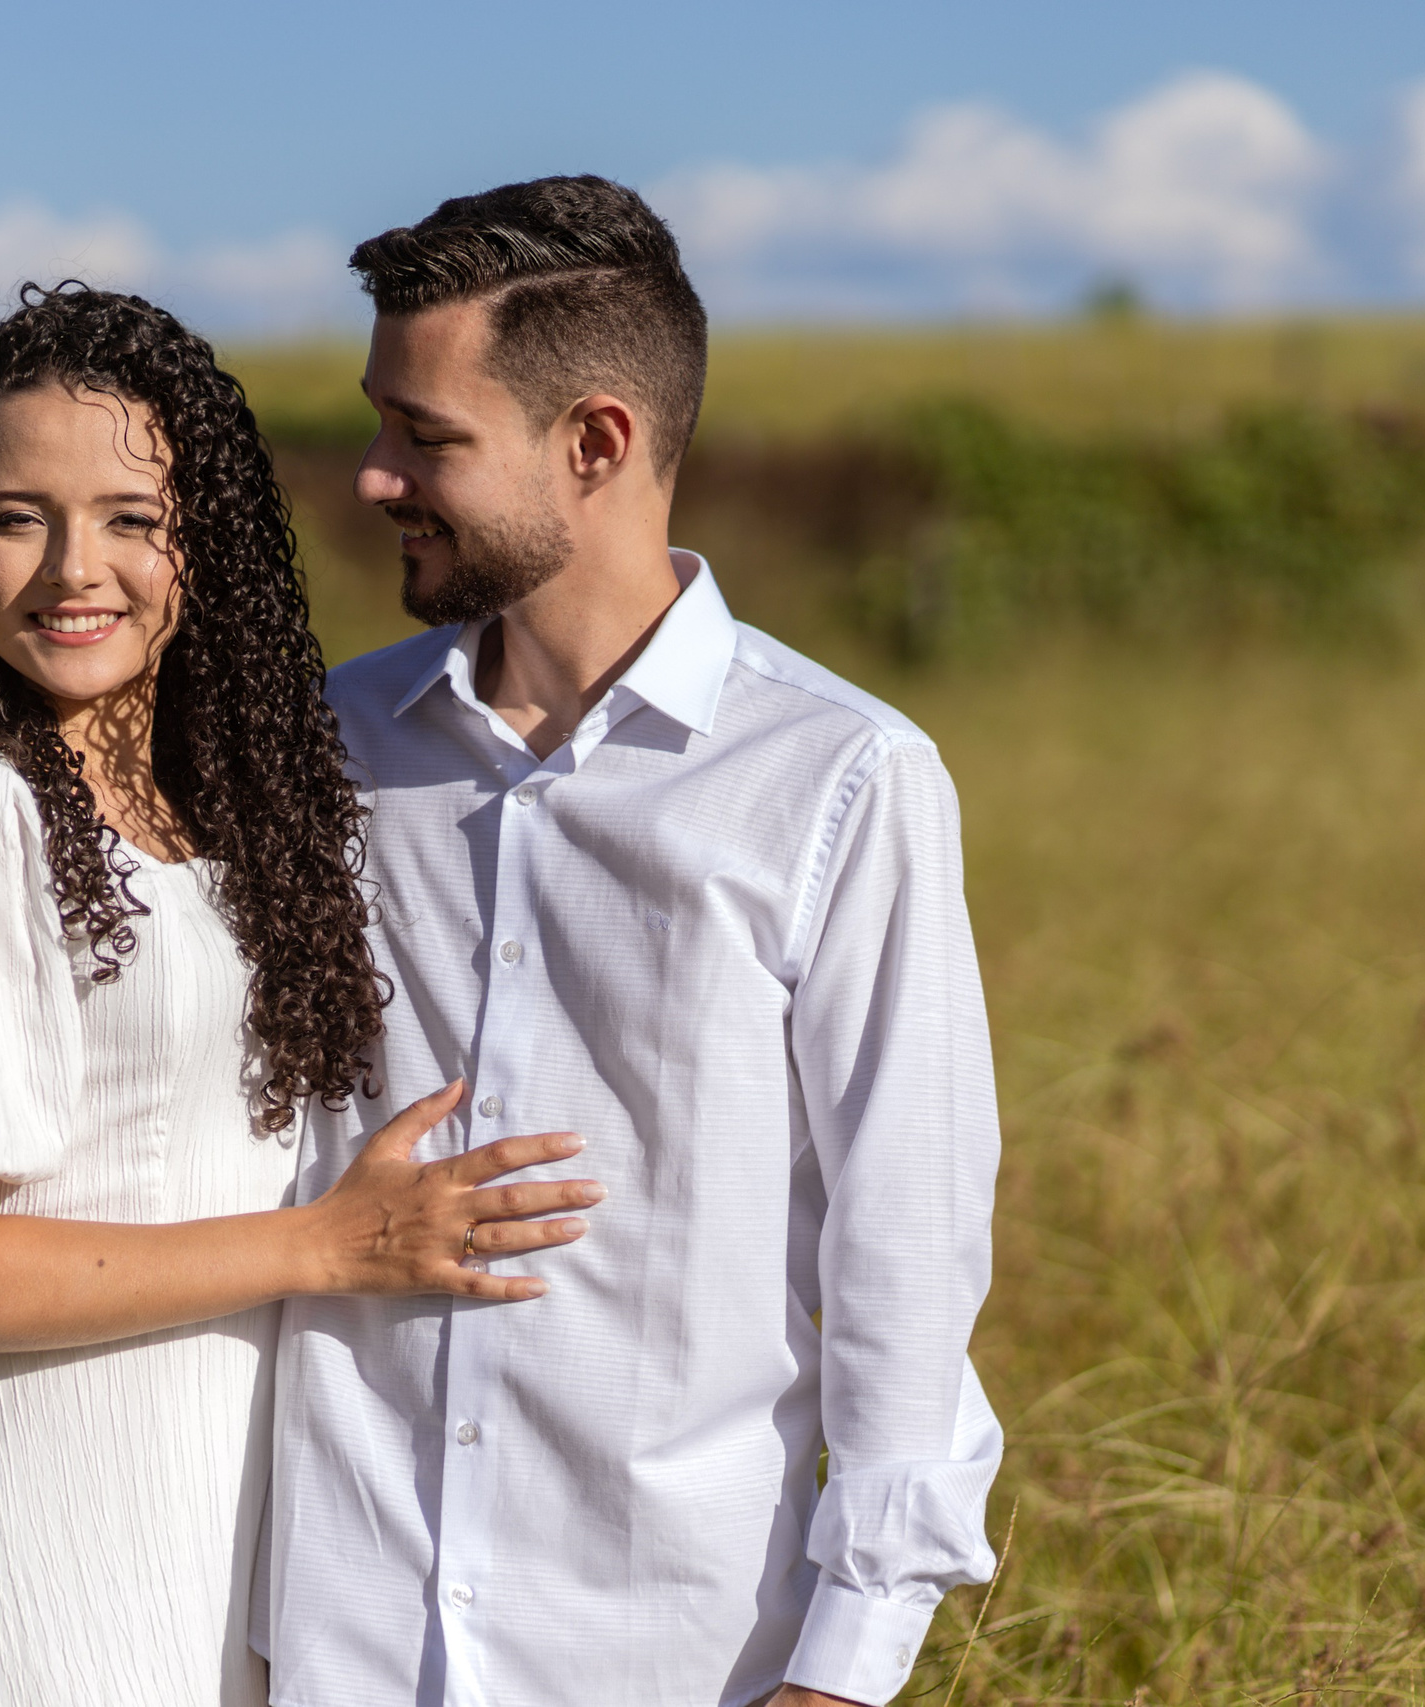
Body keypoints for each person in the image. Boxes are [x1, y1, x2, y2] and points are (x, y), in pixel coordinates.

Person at [0, 284, 606, 1707]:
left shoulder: (224, 806)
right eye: (16, 514)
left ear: (203, 544)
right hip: (31, 1563)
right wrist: (327, 1248)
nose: (67, 570)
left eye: (127, 517)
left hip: (214, 1547)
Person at [252, 179, 1005, 1707]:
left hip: (676, 1656)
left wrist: (846, 1667)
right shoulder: (318, 750)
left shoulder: (838, 781)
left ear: (595, 441)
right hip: (339, 1645)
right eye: (379, 426)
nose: (377, 481)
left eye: (428, 437)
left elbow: (904, 1253)